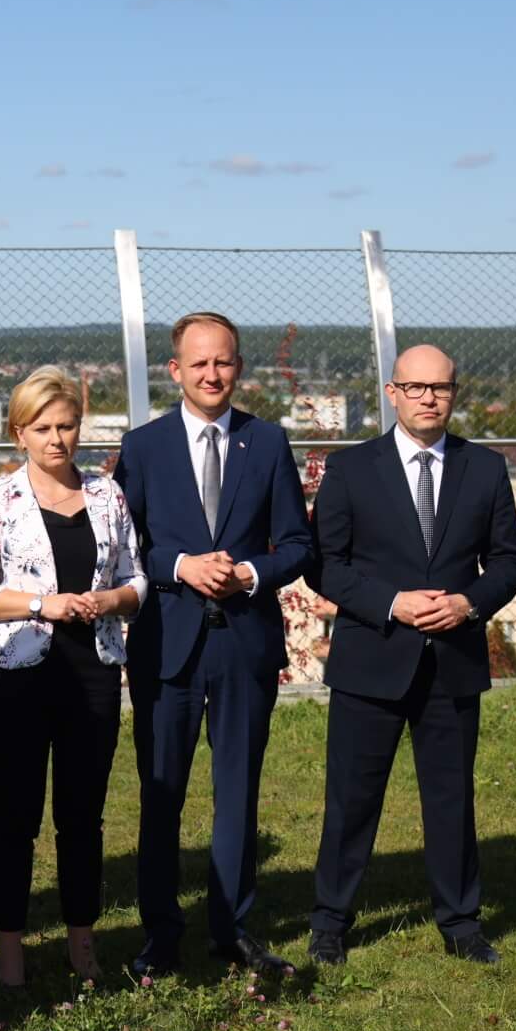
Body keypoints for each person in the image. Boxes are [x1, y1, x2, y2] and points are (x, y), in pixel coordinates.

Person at [305, 345, 516, 966]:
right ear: (392, 393)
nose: (429, 397)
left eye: (441, 387)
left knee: (451, 799)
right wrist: (391, 603)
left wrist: (468, 603)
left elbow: (509, 561)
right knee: (351, 800)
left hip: (452, 661)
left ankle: (461, 923)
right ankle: (330, 923)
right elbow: (324, 565)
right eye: (416, 387)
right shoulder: (351, 469)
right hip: (370, 659)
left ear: (455, 393)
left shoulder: (485, 468)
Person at [114, 311, 313, 978]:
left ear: (239, 367)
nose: (211, 374)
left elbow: (298, 544)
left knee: (239, 793)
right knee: (161, 794)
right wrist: (180, 566)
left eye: (223, 361)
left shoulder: (268, 442)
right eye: (198, 363)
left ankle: (232, 929)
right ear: (175, 370)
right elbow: (126, 546)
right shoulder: (143, 447)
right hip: (166, 645)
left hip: (243, 644)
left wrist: (249, 573)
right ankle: (160, 936)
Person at [0, 367, 145, 987]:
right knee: (14, 817)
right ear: (19, 433)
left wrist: (110, 600)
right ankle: (10, 950)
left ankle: (82, 945)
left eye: (66, 426)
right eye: (42, 428)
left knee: (82, 817)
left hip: (92, 673)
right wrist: (45, 604)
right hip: (17, 675)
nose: (57, 439)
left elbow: (136, 579)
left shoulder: (107, 495)